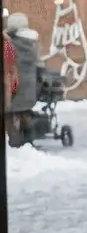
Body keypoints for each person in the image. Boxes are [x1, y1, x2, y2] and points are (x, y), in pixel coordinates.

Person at [5, 14, 40, 146]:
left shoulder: (10, 43)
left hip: (13, 84)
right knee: (24, 112)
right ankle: (29, 141)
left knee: (9, 114)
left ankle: (15, 144)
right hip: (29, 86)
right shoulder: (32, 42)